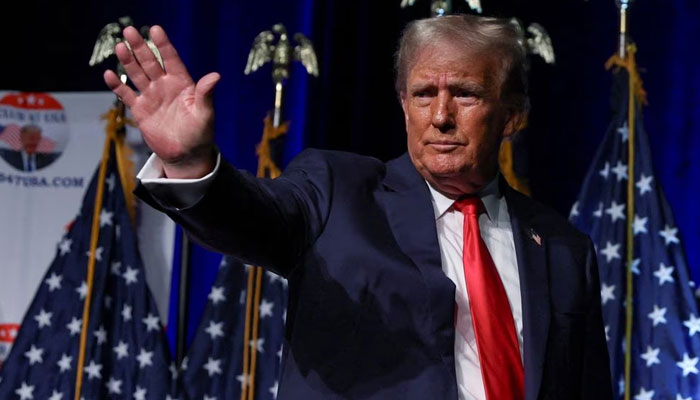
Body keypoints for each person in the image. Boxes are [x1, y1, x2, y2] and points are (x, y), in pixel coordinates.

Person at [105, 15, 613, 400]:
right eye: (422, 94)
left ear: (513, 116)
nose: (440, 116)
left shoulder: (565, 249)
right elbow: (248, 218)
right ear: (402, 103)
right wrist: (193, 162)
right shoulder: (336, 190)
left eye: (465, 94)